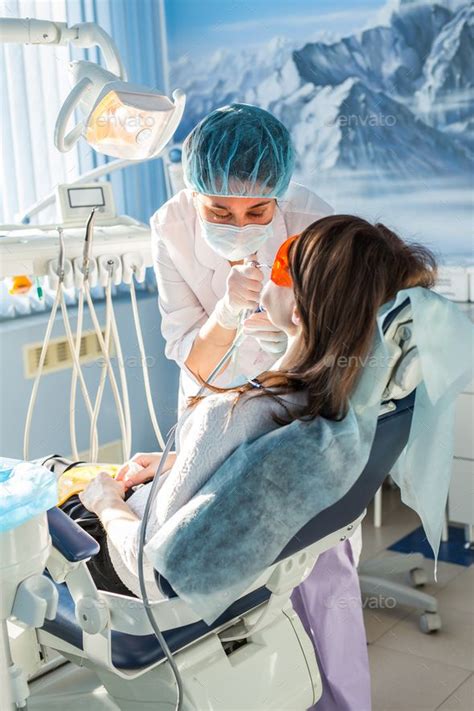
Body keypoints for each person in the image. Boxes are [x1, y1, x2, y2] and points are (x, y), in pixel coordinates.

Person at [75, 214, 436, 711]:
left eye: (286, 267)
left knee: (53, 501)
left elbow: (154, 571)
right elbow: (251, 474)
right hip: (244, 568)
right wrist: (179, 463)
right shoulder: (348, 410)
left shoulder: (234, 413)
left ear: (301, 310)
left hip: (129, 565)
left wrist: (107, 502)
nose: (271, 268)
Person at [150, 102, 332, 413]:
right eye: (219, 213)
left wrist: (292, 340)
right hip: (208, 404)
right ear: (193, 194)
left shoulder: (313, 224)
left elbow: (341, 340)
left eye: (258, 211)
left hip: (295, 397)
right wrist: (226, 313)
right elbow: (196, 365)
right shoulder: (171, 228)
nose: (239, 227)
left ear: (279, 196)